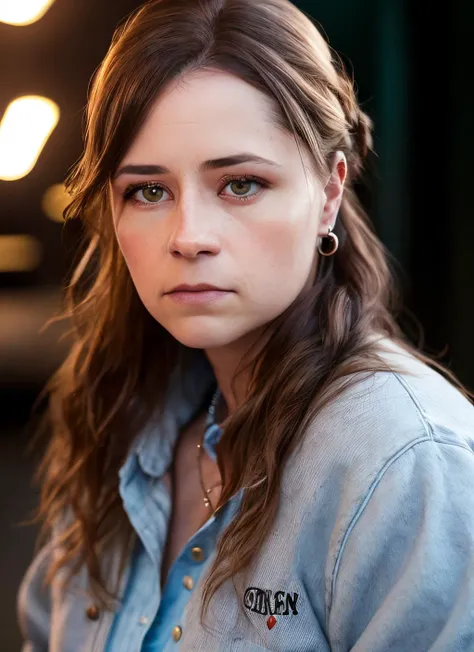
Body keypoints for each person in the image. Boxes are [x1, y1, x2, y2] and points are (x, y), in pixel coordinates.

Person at [17, 0, 474, 650]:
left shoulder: (406, 465)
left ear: (330, 191)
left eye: (240, 184)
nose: (189, 237)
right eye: (148, 191)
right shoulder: (120, 421)